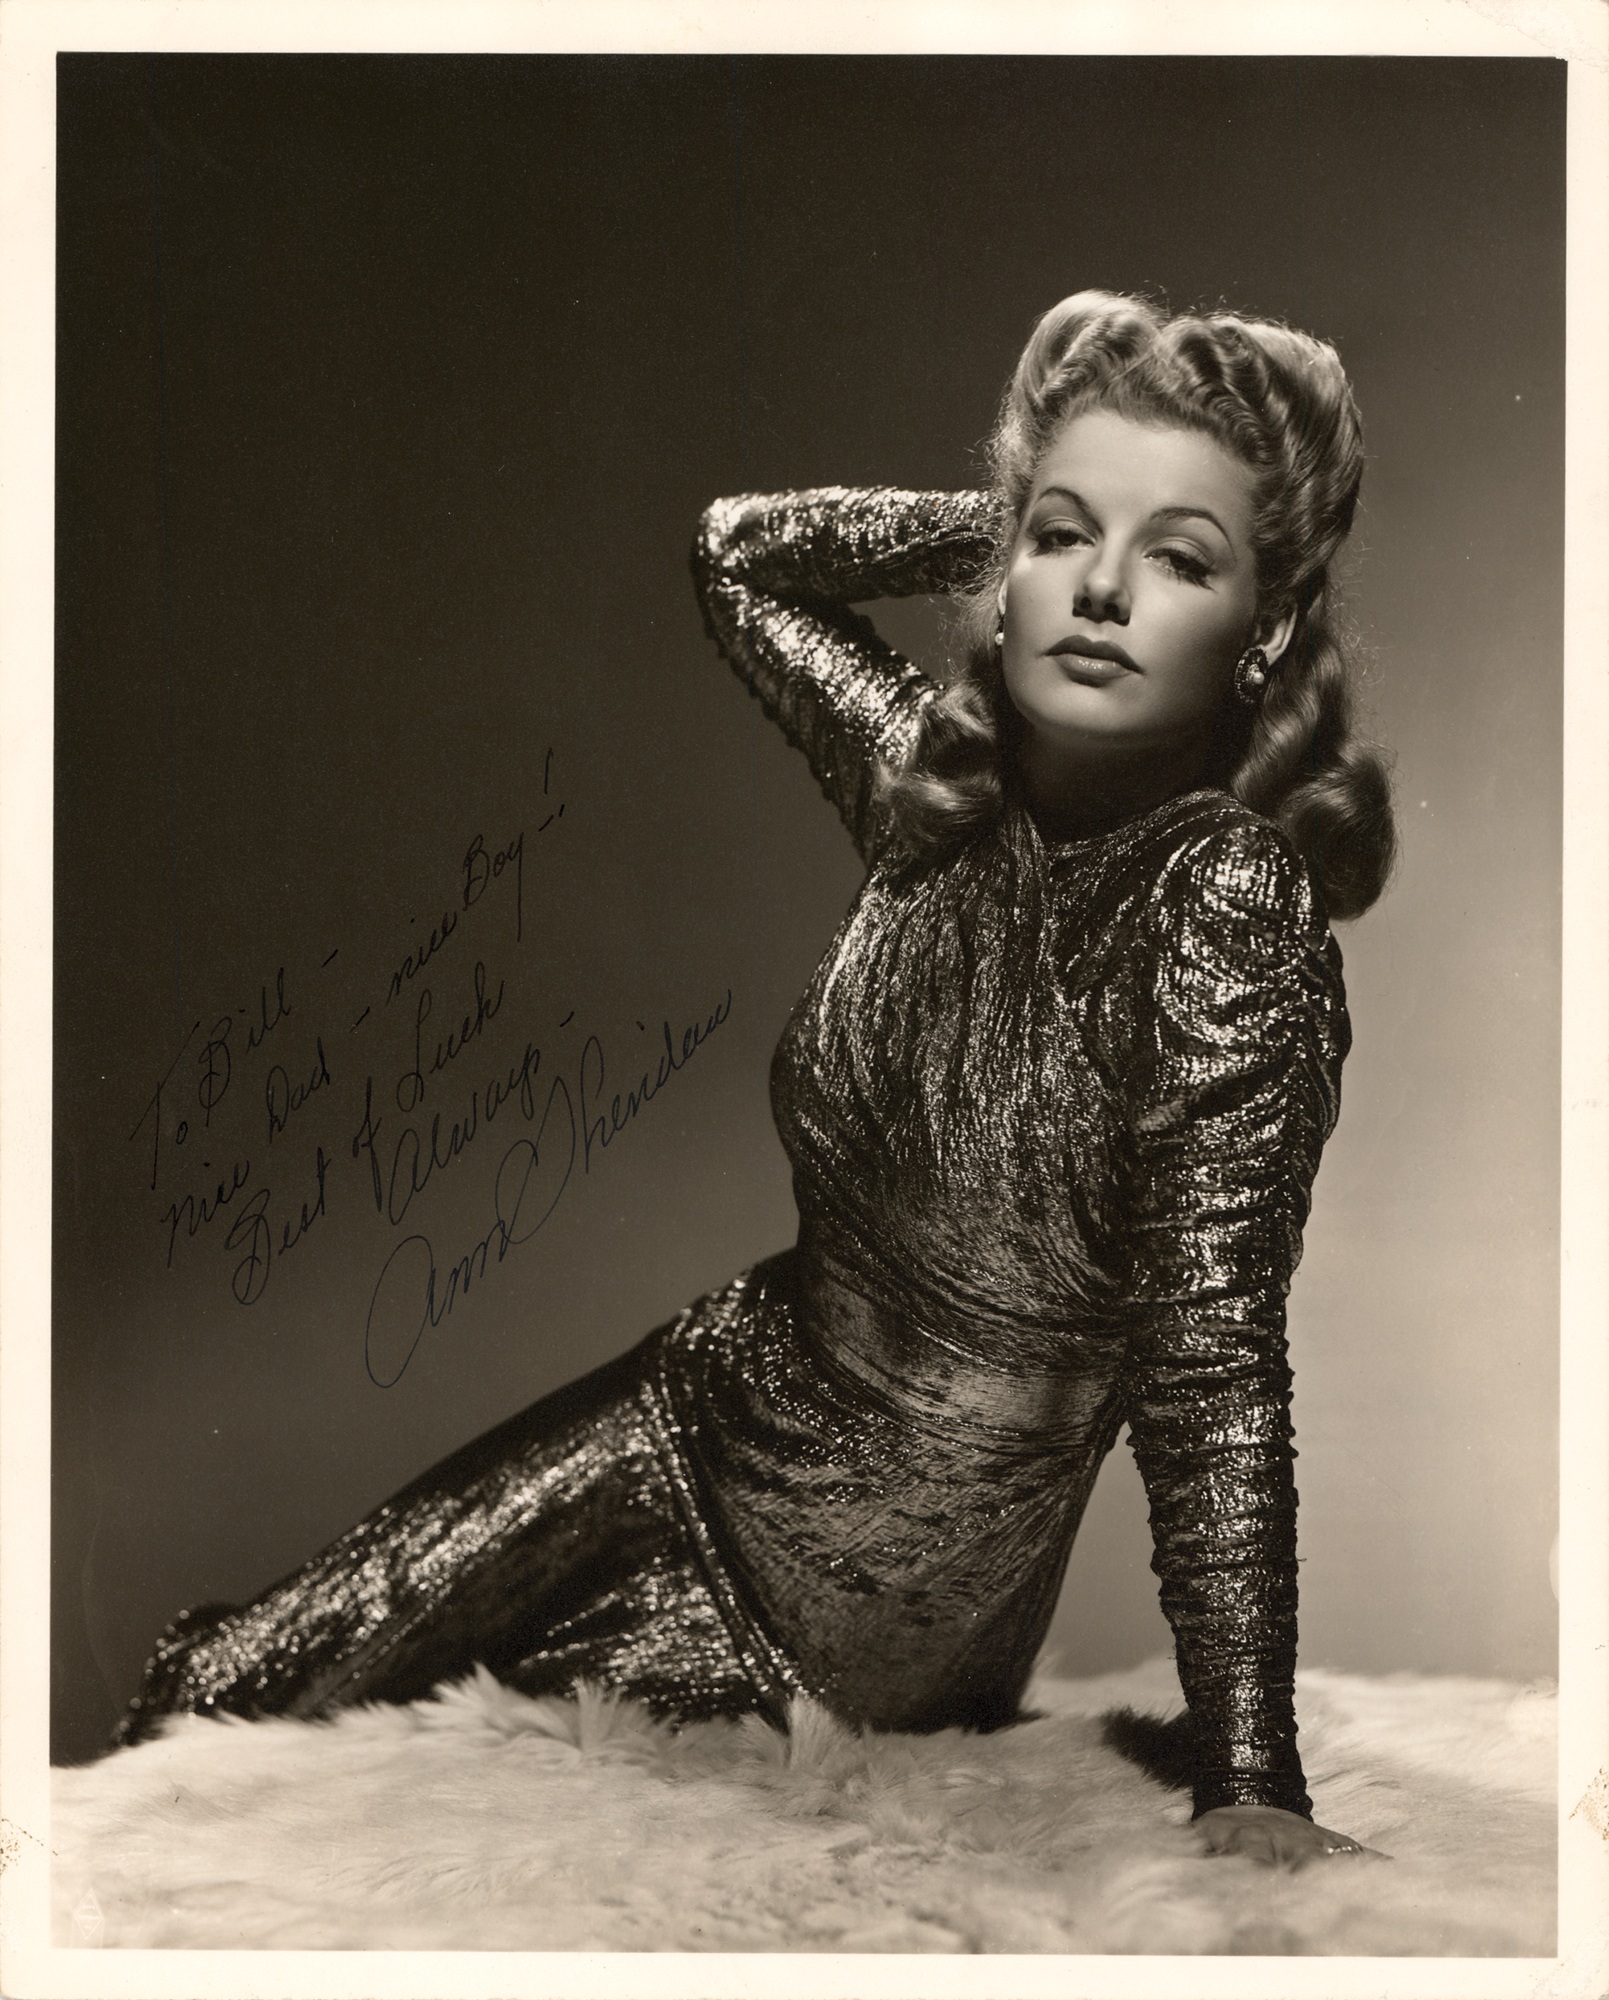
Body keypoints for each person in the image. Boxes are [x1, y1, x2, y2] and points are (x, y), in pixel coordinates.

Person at [118, 290, 1395, 1870]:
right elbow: (739, 552)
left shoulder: (1219, 901)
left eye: (1181, 559)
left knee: (371, 1807)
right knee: (213, 1703)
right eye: (1065, 539)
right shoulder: (941, 795)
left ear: (1265, 626)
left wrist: (1250, 1772)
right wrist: (1008, 526)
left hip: (869, 1614)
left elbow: (1210, 1361)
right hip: (683, 1418)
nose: (1102, 590)